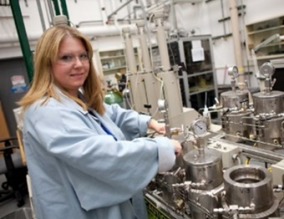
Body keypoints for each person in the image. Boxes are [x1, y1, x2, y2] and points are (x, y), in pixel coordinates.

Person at [18, 25, 182, 219]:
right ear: (47, 63)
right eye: (66, 58)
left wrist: (148, 123)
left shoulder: (77, 98)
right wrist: (160, 149)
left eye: (83, 56)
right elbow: (103, 155)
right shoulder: (46, 111)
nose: (78, 64)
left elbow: (108, 113)